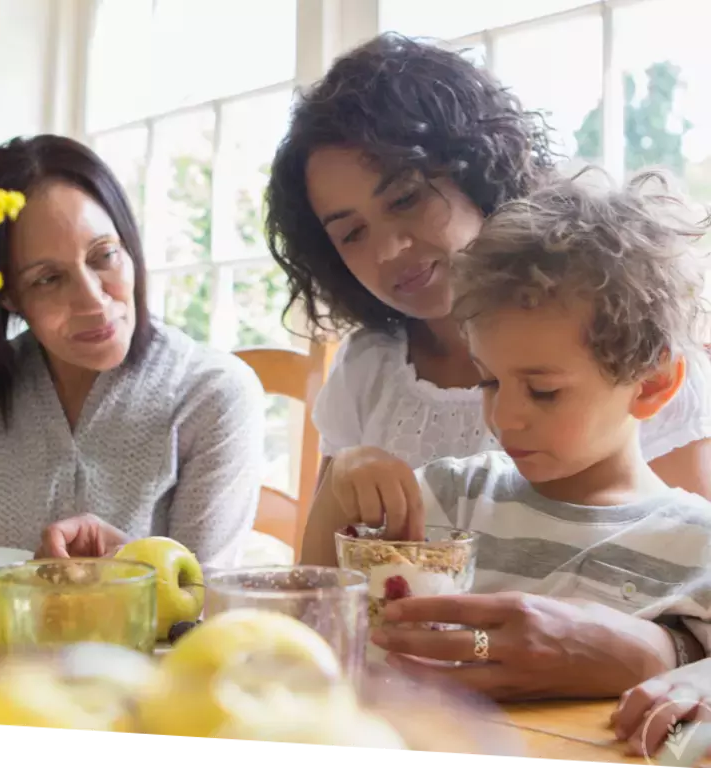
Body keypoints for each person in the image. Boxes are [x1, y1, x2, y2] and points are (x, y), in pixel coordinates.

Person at [301, 167, 711, 702]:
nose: (505, 418)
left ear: (651, 384)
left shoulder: (696, 547)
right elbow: (315, 600)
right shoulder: (452, 498)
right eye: (489, 380)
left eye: (543, 391)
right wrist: (345, 478)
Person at [264, 32, 711, 504]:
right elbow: (327, 549)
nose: (389, 249)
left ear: (476, 171)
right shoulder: (366, 369)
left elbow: (690, 543)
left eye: (406, 198)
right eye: (352, 233)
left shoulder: (627, 355)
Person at [0, 134, 266, 567]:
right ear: (8, 296)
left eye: (104, 255)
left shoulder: (213, 394)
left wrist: (127, 572)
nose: (94, 301)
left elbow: (204, 599)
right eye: (48, 279)